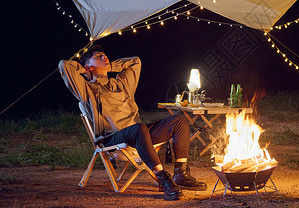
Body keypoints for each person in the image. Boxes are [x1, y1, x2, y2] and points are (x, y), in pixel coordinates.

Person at [58, 44, 206, 201]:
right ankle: (163, 178)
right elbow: (64, 65)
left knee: (179, 120)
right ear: (88, 66)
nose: (104, 57)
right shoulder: (87, 89)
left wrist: (109, 66)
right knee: (139, 128)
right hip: (113, 138)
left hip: (139, 135)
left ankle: (180, 174)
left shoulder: (121, 84)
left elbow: (136, 62)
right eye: (98, 57)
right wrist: (85, 71)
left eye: (104, 55)